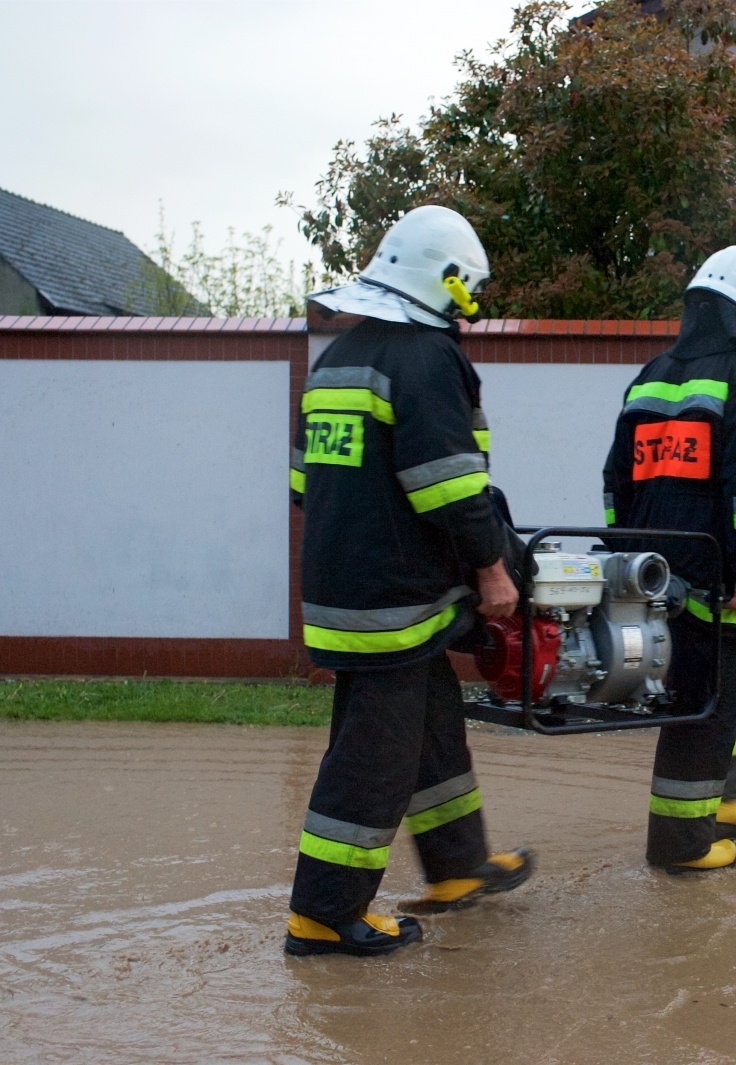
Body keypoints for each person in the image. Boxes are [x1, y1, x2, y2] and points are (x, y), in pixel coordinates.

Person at [283, 205, 534, 957]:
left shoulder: (339, 359)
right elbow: (451, 488)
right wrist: (494, 569)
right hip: (394, 600)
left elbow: (304, 486)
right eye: (473, 291)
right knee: (375, 757)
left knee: (430, 725)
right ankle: (324, 914)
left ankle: (458, 867)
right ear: (449, 283)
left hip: (352, 588)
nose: (476, 306)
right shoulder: (426, 359)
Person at [601, 246, 736, 872]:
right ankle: (683, 846)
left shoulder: (650, 376)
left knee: (711, 696)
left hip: (654, 578)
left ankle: (725, 803)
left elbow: (614, 485)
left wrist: (628, 560)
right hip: (716, 580)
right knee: (706, 707)